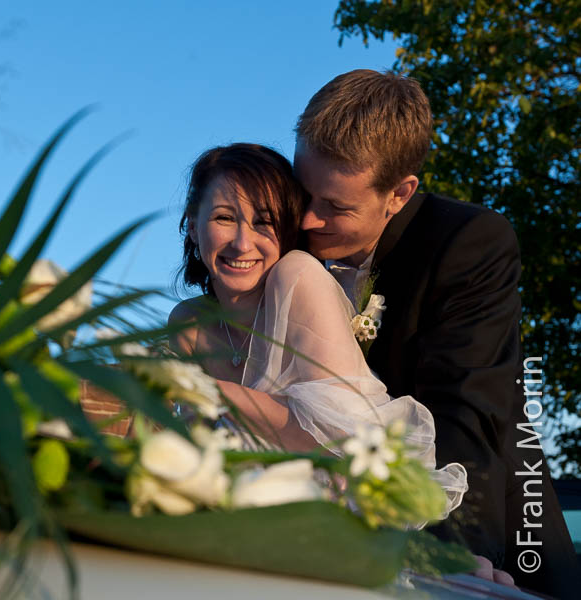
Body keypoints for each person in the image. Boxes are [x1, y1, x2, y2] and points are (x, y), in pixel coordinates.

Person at [292, 69, 579, 597]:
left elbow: (465, 415)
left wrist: (437, 544)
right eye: (302, 189)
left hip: (484, 537)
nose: (307, 219)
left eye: (335, 206)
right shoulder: (290, 238)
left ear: (398, 194)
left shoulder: (467, 244)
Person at [168, 143, 467, 516]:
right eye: (224, 218)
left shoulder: (298, 278)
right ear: (194, 226)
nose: (243, 243)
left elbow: (344, 443)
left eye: (264, 222)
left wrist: (220, 393)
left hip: (347, 517)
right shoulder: (188, 323)